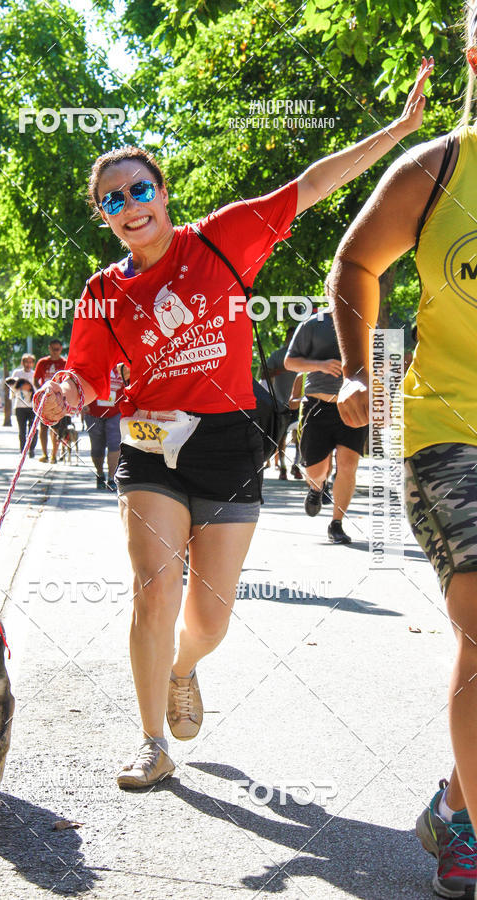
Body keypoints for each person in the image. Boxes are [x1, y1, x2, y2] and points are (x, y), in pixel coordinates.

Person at [38, 60, 432, 790]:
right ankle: (153, 741)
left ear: (163, 194)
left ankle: (184, 665)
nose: (130, 205)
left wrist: (397, 132)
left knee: (210, 620)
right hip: (150, 446)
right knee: (153, 588)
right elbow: (88, 377)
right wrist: (65, 389)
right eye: (113, 199)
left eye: (141, 189)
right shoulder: (101, 291)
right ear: (103, 215)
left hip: (227, 442)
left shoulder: (220, 240)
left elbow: (311, 184)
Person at [330, 11, 477, 895]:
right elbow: (355, 262)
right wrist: (355, 369)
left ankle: (457, 805)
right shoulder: (440, 168)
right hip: (448, 429)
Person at [284, 307, 366, 543]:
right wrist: (320, 365)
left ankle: (336, 524)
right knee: (315, 471)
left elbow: (378, 362)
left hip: (352, 404)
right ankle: (317, 487)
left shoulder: (365, 321)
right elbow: (290, 362)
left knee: (348, 465)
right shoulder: (312, 324)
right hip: (317, 405)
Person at [83, 365, 124, 490]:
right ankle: (100, 474)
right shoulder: (95, 362)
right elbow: (82, 382)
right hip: (93, 412)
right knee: (97, 447)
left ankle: (112, 478)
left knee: (115, 444)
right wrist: (83, 403)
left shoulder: (123, 363)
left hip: (116, 412)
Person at [267, 326, 297, 478]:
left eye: (295, 338)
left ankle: (297, 465)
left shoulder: (303, 356)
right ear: (286, 339)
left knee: (301, 436)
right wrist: (281, 370)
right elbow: (266, 373)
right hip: (280, 402)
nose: (292, 341)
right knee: (282, 437)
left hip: (299, 401)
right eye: (290, 338)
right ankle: (283, 467)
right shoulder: (277, 355)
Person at [34, 340, 67, 463]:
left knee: (56, 428)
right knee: (43, 427)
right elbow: (36, 379)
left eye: (57, 349)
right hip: (45, 399)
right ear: (49, 348)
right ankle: (44, 454)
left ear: (61, 349)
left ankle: (54, 455)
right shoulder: (42, 362)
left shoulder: (65, 363)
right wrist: (40, 392)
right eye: (53, 349)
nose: (55, 351)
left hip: (59, 400)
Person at [9, 354, 37, 457]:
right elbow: (12, 387)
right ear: (22, 363)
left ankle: (32, 449)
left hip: (32, 406)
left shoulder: (35, 374)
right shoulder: (17, 373)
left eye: (30, 362)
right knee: (22, 429)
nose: (28, 364)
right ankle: (23, 450)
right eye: (26, 362)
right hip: (20, 406)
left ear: (33, 363)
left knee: (33, 429)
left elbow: (37, 388)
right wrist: (21, 388)